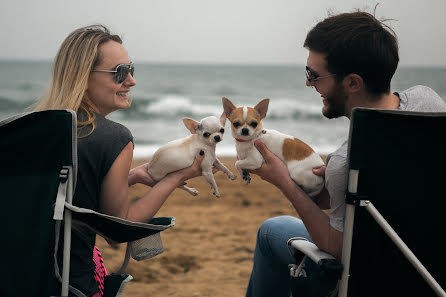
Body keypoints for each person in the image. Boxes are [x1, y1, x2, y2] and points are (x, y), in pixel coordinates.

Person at [245, 10, 446, 297]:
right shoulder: (429, 101)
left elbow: (336, 248)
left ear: (353, 83)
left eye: (314, 76)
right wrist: (337, 185)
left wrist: (285, 182)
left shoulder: (344, 163)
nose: (308, 83)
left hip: (375, 279)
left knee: (270, 231)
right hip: (431, 271)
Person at [34, 25, 207, 297]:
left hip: (19, 278)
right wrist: (175, 178)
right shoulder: (112, 138)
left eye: (131, 70)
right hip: (69, 285)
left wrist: (135, 176)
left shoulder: (31, 131)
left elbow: (62, 194)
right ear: (83, 76)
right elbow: (117, 230)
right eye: (120, 73)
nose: (131, 81)